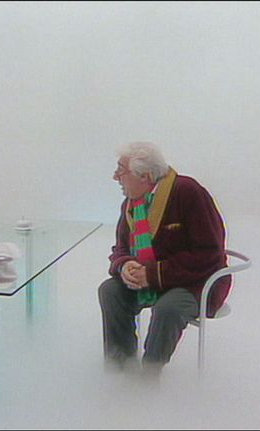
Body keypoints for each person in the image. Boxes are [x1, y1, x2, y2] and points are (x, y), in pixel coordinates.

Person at [98, 141, 231, 379]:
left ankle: (150, 373)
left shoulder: (188, 193)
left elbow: (209, 254)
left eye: (121, 170)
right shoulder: (130, 203)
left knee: (168, 307)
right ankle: (120, 367)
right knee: (110, 290)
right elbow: (120, 248)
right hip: (149, 280)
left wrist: (152, 274)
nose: (115, 177)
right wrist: (125, 265)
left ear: (145, 176)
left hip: (195, 282)